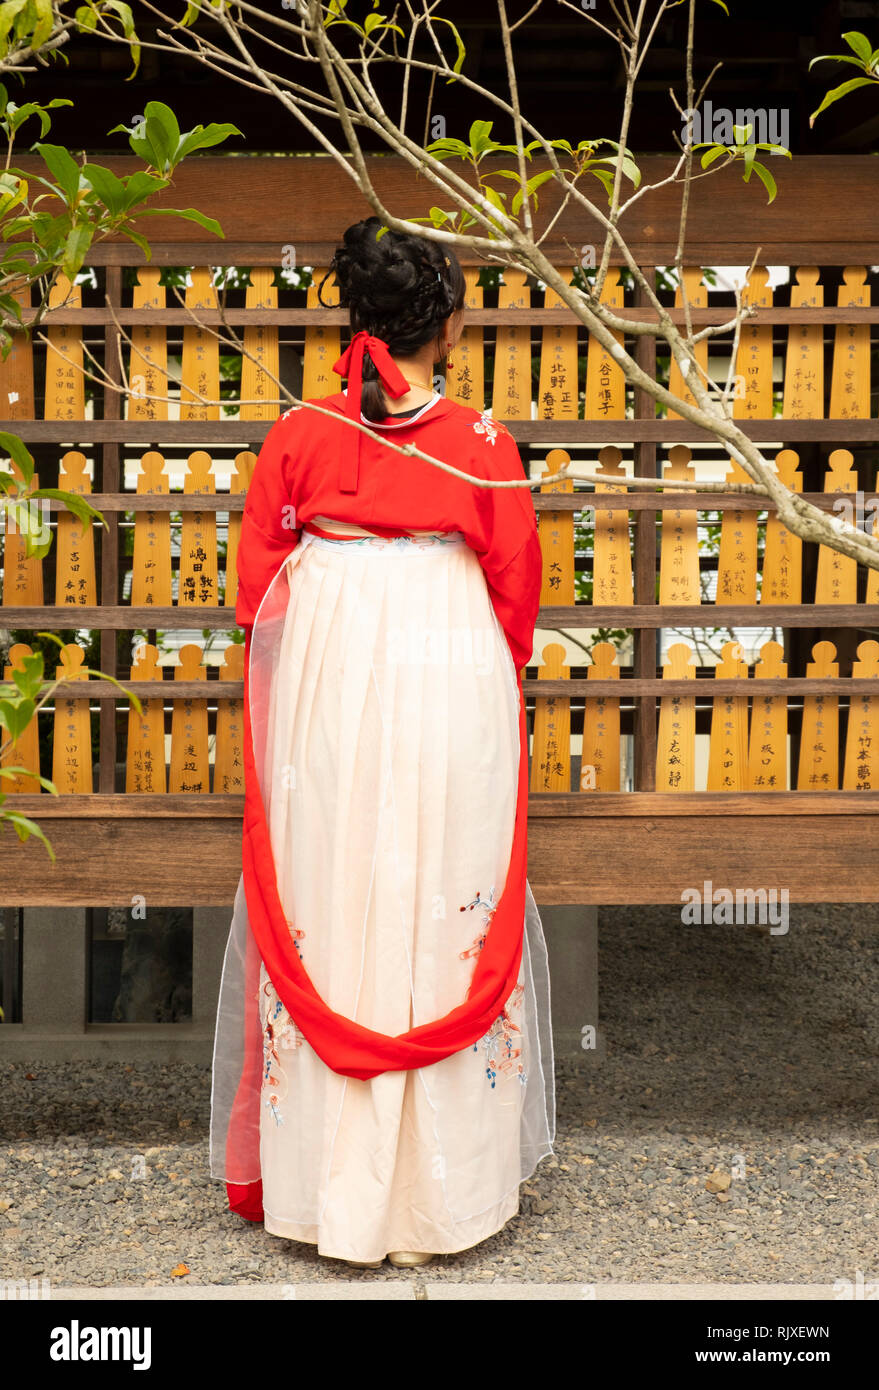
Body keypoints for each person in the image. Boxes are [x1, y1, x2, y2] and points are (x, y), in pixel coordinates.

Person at [210, 217, 556, 1270]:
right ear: (446, 328)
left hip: (331, 669)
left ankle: (331, 1185)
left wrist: (331, 626)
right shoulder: (484, 446)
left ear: (358, 318)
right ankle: (442, 1193)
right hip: (447, 667)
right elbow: (515, 589)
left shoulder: (300, 435)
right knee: (442, 880)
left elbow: (256, 585)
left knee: (332, 879)